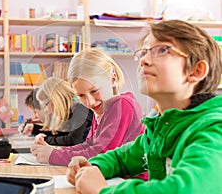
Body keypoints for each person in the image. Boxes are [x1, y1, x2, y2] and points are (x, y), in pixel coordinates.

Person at [66, 19, 222, 194]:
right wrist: (93, 166)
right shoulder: (160, 128)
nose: (144, 60)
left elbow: (187, 189)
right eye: (143, 52)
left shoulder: (213, 129)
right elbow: (121, 158)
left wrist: (102, 191)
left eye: (162, 50)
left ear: (196, 71)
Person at [30, 48, 145, 167]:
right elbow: (89, 145)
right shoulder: (101, 110)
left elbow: (100, 153)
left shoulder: (122, 105)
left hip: (131, 181)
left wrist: (54, 156)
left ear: (113, 80)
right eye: (81, 95)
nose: (89, 102)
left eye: (94, 91)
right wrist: (56, 151)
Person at [23, 77, 93, 146]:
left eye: (46, 104)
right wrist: (35, 129)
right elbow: (62, 134)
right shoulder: (71, 110)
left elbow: (73, 140)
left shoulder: (81, 109)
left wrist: (45, 139)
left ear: (56, 99)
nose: (47, 111)